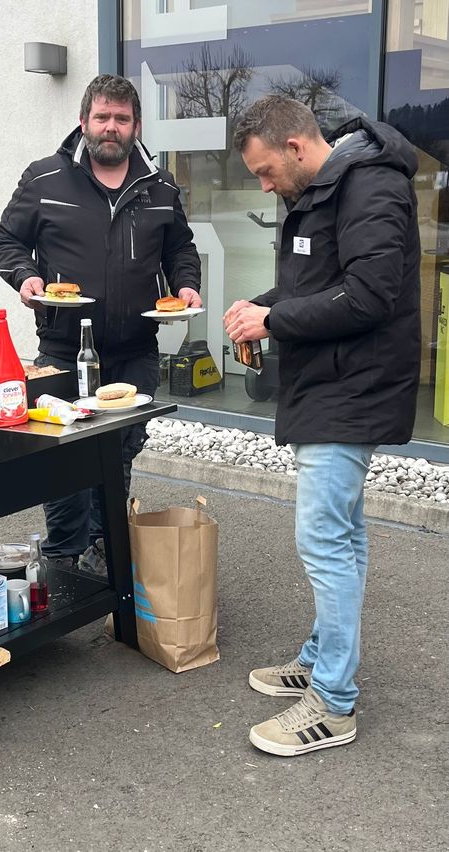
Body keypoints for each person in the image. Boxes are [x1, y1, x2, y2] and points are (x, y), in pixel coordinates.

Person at [224, 95, 421, 756]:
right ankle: (319, 659)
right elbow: (320, 282)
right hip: (332, 385)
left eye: (265, 171)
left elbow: (371, 293)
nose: (264, 185)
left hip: (353, 389)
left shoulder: (370, 185)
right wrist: (262, 304)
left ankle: (334, 703)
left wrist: (273, 322)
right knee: (341, 536)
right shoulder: (329, 186)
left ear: (297, 147)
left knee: (323, 540)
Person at [0, 74, 202, 572]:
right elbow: (5, 242)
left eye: (121, 119)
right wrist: (26, 277)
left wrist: (186, 284)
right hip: (63, 350)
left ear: (136, 126)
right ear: (83, 122)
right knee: (65, 457)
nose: (111, 127)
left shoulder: (160, 186)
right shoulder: (44, 179)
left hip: (134, 349)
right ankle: (65, 557)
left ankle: (105, 552)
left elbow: (180, 248)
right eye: (102, 117)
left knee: (118, 453)